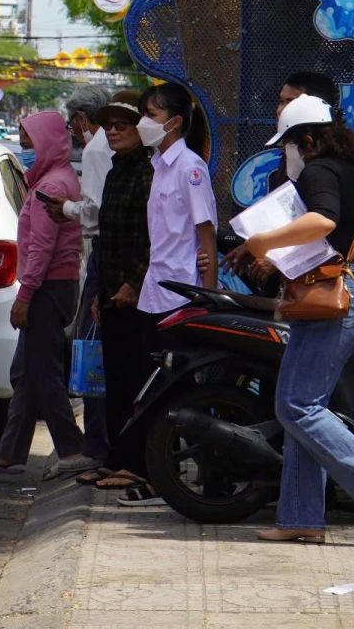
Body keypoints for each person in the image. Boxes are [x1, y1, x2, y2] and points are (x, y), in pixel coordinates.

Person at [225, 94, 354, 542]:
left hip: (333, 302)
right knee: (302, 408)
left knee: (296, 405)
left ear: (307, 139)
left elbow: (322, 221)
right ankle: (301, 519)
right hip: (344, 293)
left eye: (289, 143)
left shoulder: (320, 170)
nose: (288, 152)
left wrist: (261, 243)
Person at [113, 81, 217, 507]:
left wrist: (207, 300)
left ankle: (170, 478)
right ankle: (157, 474)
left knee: (176, 393)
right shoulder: (158, 166)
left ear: (174, 122)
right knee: (151, 389)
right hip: (154, 293)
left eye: (151, 116)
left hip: (180, 297)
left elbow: (205, 234)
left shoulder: (190, 167)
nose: (144, 123)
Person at [0, 111, 90, 479]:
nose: (24, 148)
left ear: (48, 143)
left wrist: (24, 296)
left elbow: (41, 247)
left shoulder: (52, 186)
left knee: (44, 372)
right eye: (22, 141)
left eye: (28, 141)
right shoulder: (54, 178)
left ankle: (72, 450)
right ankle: (10, 454)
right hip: (53, 285)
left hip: (47, 287)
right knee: (25, 372)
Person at [82, 97, 154, 493]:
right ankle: (114, 459)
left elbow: (151, 237)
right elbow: (107, 240)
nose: (112, 131)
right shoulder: (114, 172)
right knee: (113, 381)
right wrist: (102, 291)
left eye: (121, 125)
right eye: (107, 125)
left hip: (138, 294)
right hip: (111, 292)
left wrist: (134, 282)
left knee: (134, 380)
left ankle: (135, 463)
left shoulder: (148, 172)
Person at [55, 85, 114, 464]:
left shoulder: (95, 148)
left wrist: (65, 208)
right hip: (114, 257)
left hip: (103, 257)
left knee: (92, 352)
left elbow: (95, 212)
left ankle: (96, 446)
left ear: (80, 119)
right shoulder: (114, 145)